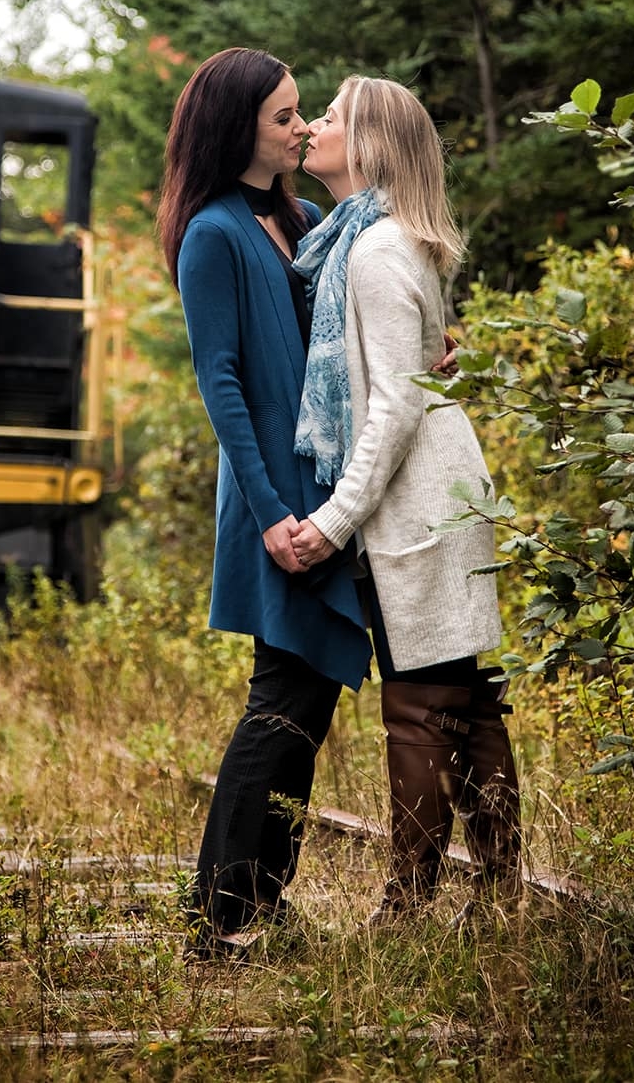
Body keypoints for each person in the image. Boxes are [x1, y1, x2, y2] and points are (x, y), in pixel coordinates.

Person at [289, 74, 522, 925]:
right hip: (432, 488)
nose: (312, 126)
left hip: (421, 499)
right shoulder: (373, 238)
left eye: (331, 118)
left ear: (372, 145)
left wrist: (331, 520)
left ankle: (408, 903)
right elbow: (416, 367)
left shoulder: (377, 249)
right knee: (459, 693)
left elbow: (391, 401)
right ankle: (493, 893)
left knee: (425, 702)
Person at [157, 47, 372, 961]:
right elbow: (223, 383)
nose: (301, 128)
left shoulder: (304, 216)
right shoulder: (211, 234)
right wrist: (268, 512)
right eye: (285, 116)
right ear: (237, 124)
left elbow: (358, 328)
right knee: (280, 697)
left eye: (299, 114)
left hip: (323, 487)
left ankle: (261, 901)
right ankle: (216, 915)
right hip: (270, 497)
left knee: (307, 699)